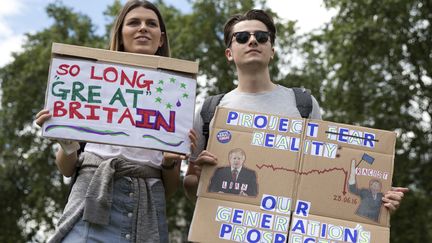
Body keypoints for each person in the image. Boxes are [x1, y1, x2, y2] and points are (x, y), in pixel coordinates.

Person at [183, 9, 408, 213]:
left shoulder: (304, 104)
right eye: (242, 37)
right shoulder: (209, 110)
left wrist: (377, 197)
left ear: (272, 50)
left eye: (261, 37)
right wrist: (204, 177)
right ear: (229, 53)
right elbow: (191, 185)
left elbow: (326, 173)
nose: (252, 41)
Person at [35, 1, 196, 242]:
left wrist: (170, 163)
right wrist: (66, 141)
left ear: (160, 39)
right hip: (91, 204)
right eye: (134, 22)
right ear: (121, 35)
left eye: (151, 24)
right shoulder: (91, 84)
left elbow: (170, 189)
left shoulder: (176, 99)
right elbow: (67, 168)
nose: (143, 28)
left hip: (147, 211)